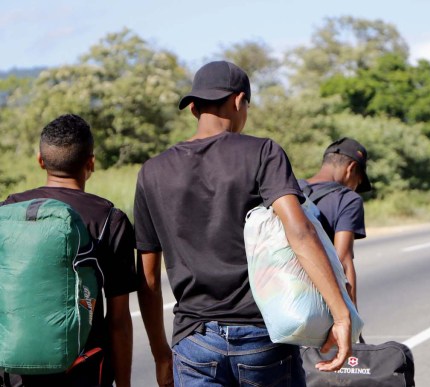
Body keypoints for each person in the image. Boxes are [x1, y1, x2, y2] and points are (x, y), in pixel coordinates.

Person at [134, 60, 353, 387]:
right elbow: (299, 231)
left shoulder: (152, 172)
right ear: (239, 101)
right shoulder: (262, 152)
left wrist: (161, 355)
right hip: (261, 337)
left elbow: (148, 277)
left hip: (193, 341)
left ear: (194, 108)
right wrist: (341, 314)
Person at [0, 114, 136, 387]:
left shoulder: (8, 211)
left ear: (41, 161)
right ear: (91, 163)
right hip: (84, 372)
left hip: (13, 375)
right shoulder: (109, 219)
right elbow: (118, 321)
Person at [298, 137, 371, 308]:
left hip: (278, 295)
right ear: (351, 169)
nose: (355, 187)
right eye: (358, 182)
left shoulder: (291, 189)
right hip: (318, 301)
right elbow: (343, 260)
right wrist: (352, 321)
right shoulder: (347, 199)